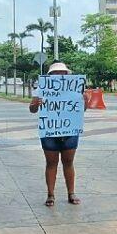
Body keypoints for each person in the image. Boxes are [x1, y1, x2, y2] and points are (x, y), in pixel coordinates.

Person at [31, 61, 82, 206]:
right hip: (49, 130)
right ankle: (50, 194)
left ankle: (71, 193)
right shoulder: (42, 89)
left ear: (66, 74)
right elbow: (32, 109)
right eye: (56, 73)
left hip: (70, 130)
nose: (59, 75)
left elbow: (80, 110)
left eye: (62, 72)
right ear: (50, 75)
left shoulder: (75, 89)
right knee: (51, 163)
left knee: (68, 162)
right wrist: (36, 103)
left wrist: (85, 101)